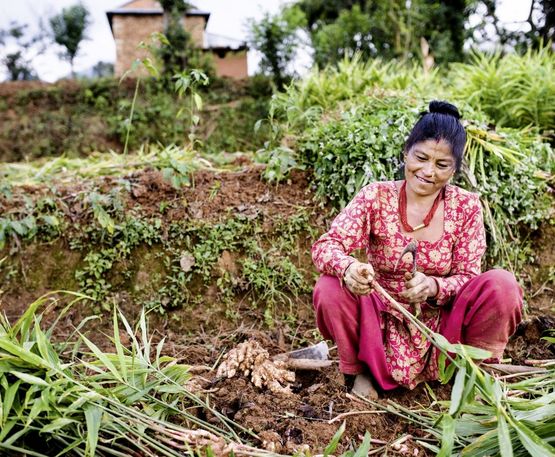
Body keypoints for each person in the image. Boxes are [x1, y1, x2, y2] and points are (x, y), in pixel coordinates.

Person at [311, 100, 523, 398]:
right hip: (380, 320)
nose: (428, 171)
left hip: (443, 330)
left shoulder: (466, 206)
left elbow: (468, 276)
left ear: (455, 169)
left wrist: (433, 286)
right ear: (405, 153)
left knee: (502, 285)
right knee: (330, 286)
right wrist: (349, 269)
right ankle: (359, 373)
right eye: (420, 158)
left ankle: (474, 372)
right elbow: (326, 246)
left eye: (441, 164)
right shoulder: (375, 197)